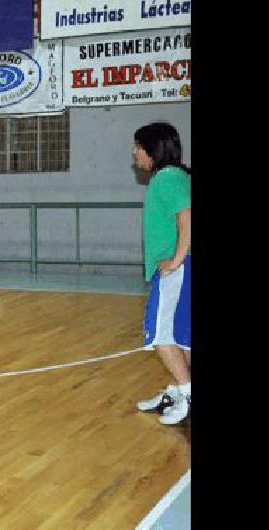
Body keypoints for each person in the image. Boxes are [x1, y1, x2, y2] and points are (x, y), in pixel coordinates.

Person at [132, 122, 191, 425]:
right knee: (182, 337)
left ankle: (186, 394)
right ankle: (179, 390)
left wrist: (176, 260)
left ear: (153, 150)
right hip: (183, 268)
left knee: (160, 335)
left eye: (138, 147)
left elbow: (187, 216)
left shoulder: (167, 179)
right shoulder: (176, 177)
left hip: (178, 269)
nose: (135, 153)